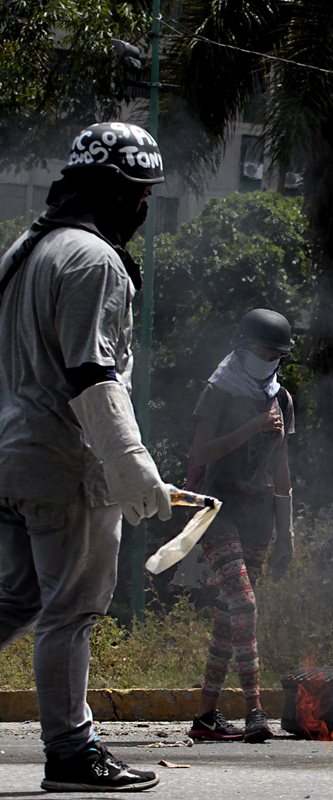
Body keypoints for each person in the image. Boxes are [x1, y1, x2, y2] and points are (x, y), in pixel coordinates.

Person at [0, 122, 170, 792]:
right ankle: (71, 754)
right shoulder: (93, 261)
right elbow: (91, 374)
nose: (143, 209)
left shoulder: (26, 250)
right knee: (71, 610)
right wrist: (132, 469)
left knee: (14, 596)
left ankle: (72, 748)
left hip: (11, 458)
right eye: (138, 195)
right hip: (66, 466)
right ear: (110, 192)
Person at [185, 309, 295, 744]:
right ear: (244, 348)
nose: (269, 360)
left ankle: (205, 716)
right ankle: (254, 710)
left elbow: (282, 468)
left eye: (277, 355)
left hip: (258, 518)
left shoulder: (281, 399)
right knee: (245, 606)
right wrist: (251, 427)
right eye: (263, 352)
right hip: (217, 511)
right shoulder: (217, 391)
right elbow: (201, 453)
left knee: (229, 618)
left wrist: (287, 533)